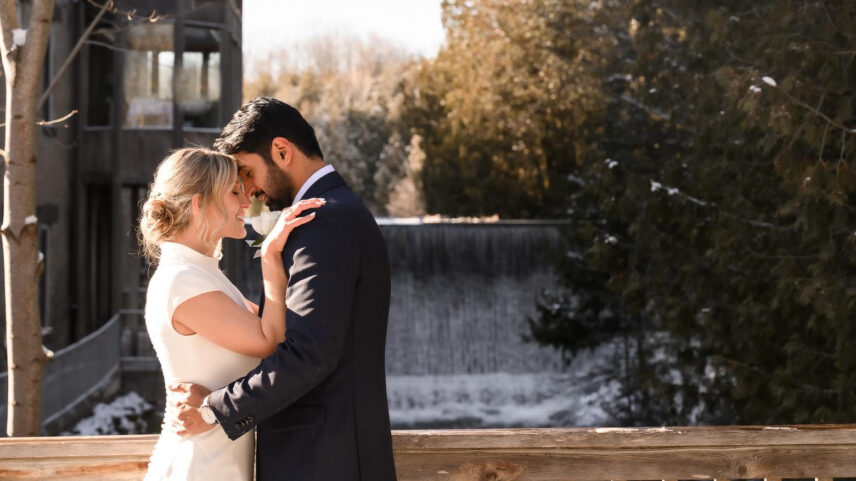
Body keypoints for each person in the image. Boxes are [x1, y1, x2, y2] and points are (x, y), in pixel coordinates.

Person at [166, 97, 398, 481]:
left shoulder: (322, 223)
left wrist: (213, 409)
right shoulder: (333, 213)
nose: (250, 192)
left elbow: (308, 355)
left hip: (323, 461)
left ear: (281, 150)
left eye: (247, 172)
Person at [139, 147, 324, 481]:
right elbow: (270, 339)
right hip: (199, 469)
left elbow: (276, 324)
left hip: (216, 464)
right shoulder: (184, 280)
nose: (245, 202)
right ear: (199, 203)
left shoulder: (202, 274)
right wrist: (270, 255)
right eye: (234, 192)